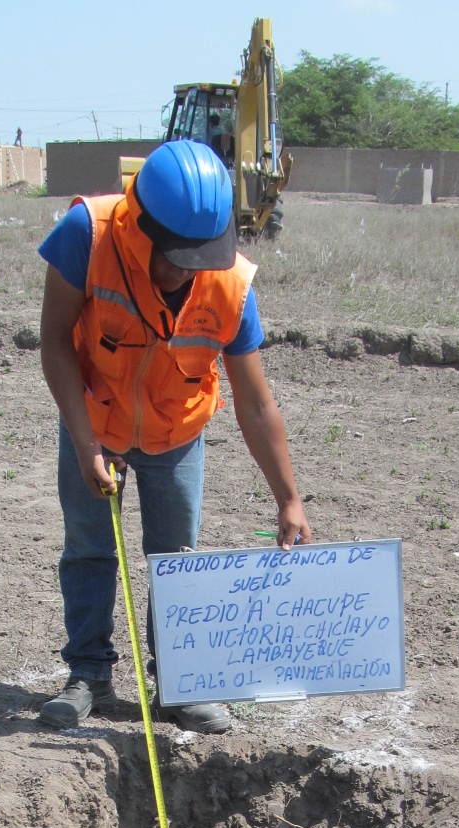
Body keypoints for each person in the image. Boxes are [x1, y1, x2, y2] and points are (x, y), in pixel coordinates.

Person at [36, 139, 312, 734]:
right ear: (141, 227)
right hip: (95, 422)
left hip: (177, 432)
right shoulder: (87, 234)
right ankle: (87, 674)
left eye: (200, 256)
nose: (188, 270)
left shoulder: (231, 286)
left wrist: (288, 496)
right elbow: (55, 340)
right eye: (176, 257)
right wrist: (85, 443)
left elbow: (256, 402)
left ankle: (181, 685)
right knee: (88, 548)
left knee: (176, 561)